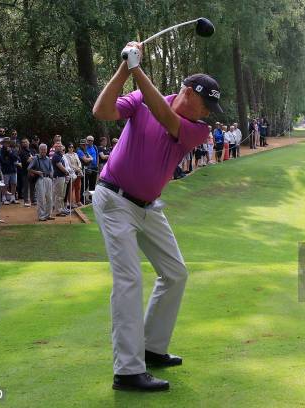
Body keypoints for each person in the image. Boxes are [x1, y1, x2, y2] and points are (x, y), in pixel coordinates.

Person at [92, 41, 223, 392]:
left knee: (175, 273)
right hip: (114, 200)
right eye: (206, 104)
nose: (209, 112)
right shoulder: (140, 99)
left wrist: (137, 69)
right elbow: (102, 110)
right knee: (129, 281)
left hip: (148, 207)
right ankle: (128, 371)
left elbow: (165, 117)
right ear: (187, 92)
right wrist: (124, 67)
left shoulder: (198, 129)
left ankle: (151, 347)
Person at [28, 144, 55, 221]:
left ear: (47, 150)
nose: (43, 151)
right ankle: (41, 216)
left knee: (49, 198)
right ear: (39, 150)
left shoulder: (48, 159)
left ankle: (48, 214)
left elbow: (51, 169)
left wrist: (51, 175)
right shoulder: (36, 158)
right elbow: (29, 169)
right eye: (42, 149)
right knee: (41, 198)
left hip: (48, 179)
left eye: (45, 149)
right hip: (40, 178)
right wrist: (37, 172)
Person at [0, 138, 19, 204]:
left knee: (14, 183)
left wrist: (10, 153)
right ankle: (4, 198)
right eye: (5, 142)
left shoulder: (13, 150)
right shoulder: (1, 151)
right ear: (3, 143)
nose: (7, 144)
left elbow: (15, 158)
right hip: (5, 170)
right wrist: (11, 160)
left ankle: (12, 198)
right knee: (5, 184)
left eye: (8, 143)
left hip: (13, 170)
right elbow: (3, 161)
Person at [51, 142, 69, 217]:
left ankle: (60, 209)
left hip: (62, 177)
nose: (59, 147)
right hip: (59, 177)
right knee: (59, 194)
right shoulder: (56, 156)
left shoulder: (60, 155)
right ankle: (58, 211)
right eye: (57, 146)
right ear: (54, 148)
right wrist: (67, 172)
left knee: (62, 194)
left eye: (60, 146)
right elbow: (60, 166)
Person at [65, 143, 83, 207]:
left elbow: (79, 162)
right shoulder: (66, 155)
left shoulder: (75, 154)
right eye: (70, 147)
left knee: (78, 187)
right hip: (72, 173)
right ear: (68, 148)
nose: (71, 148)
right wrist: (76, 169)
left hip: (78, 172)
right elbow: (69, 164)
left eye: (72, 147)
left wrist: (79, 168)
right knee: (71, 188)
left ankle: (78, 201)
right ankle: (71, 202)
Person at [17, 138, 34, 206]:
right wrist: (33, 158)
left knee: (33, 186)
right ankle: (26, 201)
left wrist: (32, 158)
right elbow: (27, 161)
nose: (24, 143)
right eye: (23, 142)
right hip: (25, 171)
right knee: (26, 186)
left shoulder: (31, 150)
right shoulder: (22, 152)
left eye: (26, 142)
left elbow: (34, 159)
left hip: (33, 171)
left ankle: (33, 200)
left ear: (28, 143)